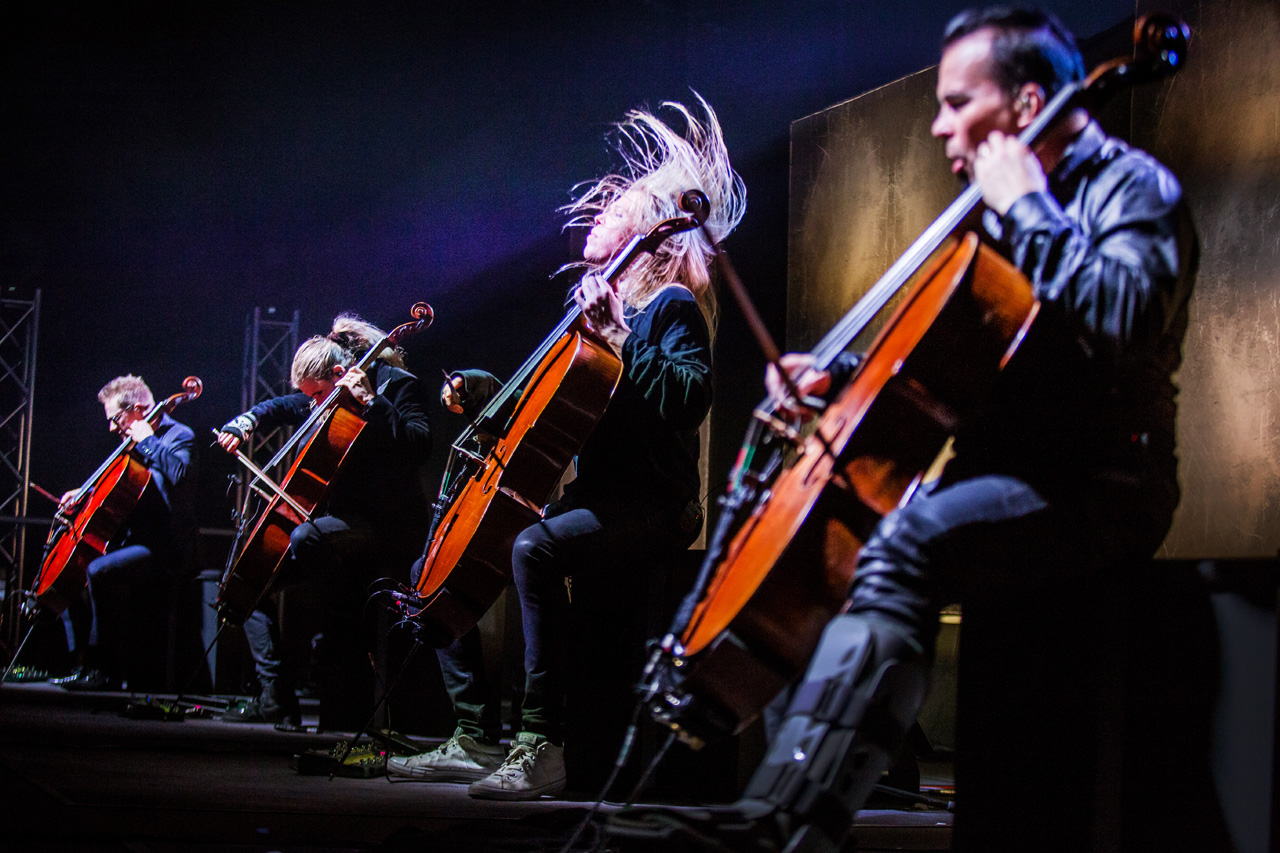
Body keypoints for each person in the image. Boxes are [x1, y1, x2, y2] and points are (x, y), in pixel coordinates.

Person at [608, 7, 1198, 852]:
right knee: (847, 548)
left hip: (1099, 482)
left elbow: (1122, 318)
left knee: (905, 544)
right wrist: (838, 375)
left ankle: (788, 818)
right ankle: (804, 787)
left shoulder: (1129, 189)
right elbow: (952, 349)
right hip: (1002, 473)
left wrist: (1029, 206)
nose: (938, 125)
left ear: (1028, 104)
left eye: (958, 103)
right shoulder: (1005, 214)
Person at [387, 95, 746, 800]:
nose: (597, 214)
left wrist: (621, 338)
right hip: (597, 497)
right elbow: (546, 406)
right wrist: (485, 391)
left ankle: (541, 740)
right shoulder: (593, 312)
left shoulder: (666, 306)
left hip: (652, 503)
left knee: (534, 548)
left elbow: (689, 398)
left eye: (613, 210)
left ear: (643, 232)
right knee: (443, 560)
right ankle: (473, 732)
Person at [215, 314, 432, 729]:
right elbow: (283, 406)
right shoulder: (327, 395)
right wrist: (245, 423)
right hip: (339, 525)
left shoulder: (398, 386)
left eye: (317, 394)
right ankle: (277, 697)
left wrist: (373, 403)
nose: (314, 405)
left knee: (307, 539)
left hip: (385, 524)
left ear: (337, 374)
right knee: (247, 584)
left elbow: (418, 447)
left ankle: (334, 628)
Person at [55, 375, 196, 691]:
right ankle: (82, 662)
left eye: (116, 418)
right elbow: (118, 488)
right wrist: (84, 494)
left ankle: (105, 671)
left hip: (166, 546)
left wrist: (148, 440)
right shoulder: (129, 443)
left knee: (100, 571)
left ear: (139, 409)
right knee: (74, 566)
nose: (111, 427)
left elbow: (179, 474)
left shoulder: (178, 435)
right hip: (134, 540)